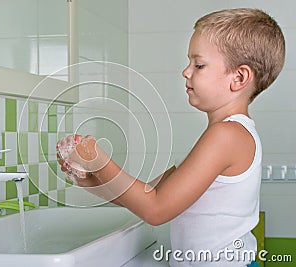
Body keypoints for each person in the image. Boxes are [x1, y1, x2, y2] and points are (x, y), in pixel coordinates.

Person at [57, 8, 285, 266]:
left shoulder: (228, 135)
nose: (186, 72)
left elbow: (156, 210)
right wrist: (90, 180)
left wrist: (98, 160)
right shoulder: (220, 135)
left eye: (199, 65)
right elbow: (145, 195)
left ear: (239, 77)